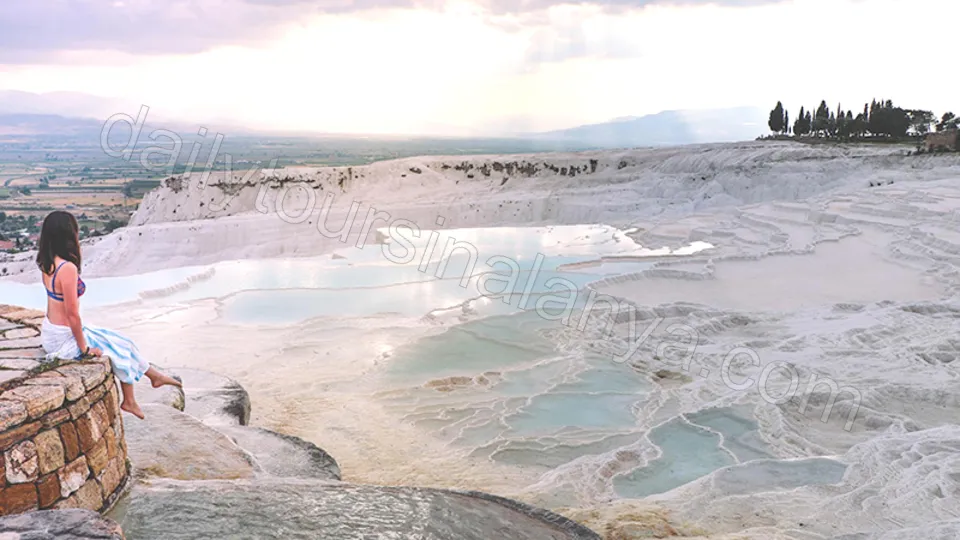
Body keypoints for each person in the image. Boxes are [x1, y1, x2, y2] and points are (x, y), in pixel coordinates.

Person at [36, 210, 181, 419]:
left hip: (52, 331)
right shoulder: (66, 268)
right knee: (118, 348)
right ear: (68, 235)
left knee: (122, 341)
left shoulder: (47, 263)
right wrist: (85, 349)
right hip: (63, 339)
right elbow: (72, 315)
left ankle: (154, 376)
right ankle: (130, 401)